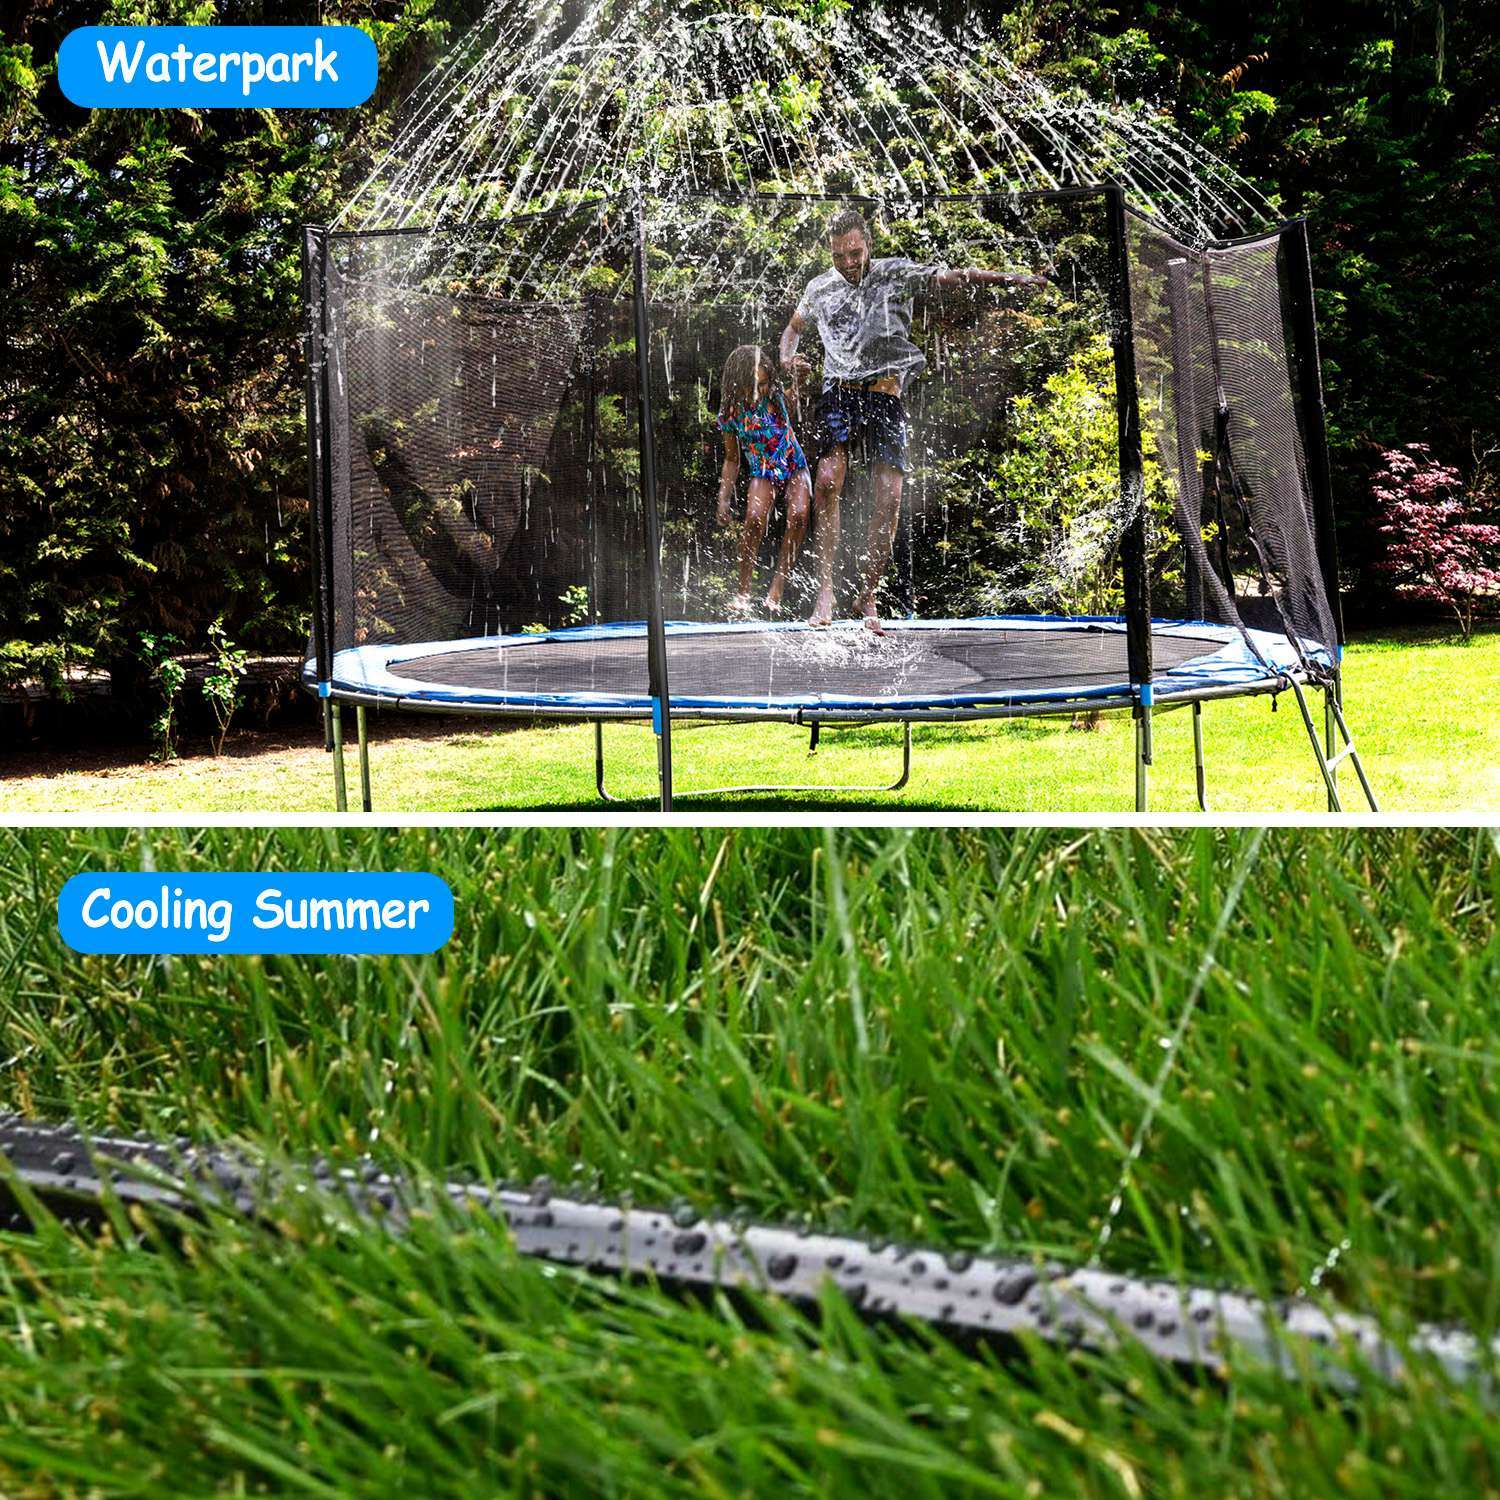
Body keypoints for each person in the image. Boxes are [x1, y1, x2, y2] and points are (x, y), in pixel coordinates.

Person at [780, 208, 1046, 633]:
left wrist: (1010, 280)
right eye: (839, 256)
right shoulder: (819, 288)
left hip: (885, 397)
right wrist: (788, 357)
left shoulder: (894, 273)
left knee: (889, 498)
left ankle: (868, 595)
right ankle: (825, 590)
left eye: (855, 252)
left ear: (868, 245)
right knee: (828, 481)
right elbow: (792, 329)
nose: (848, 263)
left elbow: (954, 277)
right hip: (839, 393)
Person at [714, 343, 813, 617]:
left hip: (793, 463)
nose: (759, 392)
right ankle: (743, 592)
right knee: (754, 519)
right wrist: (723, 498)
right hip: (762, 469)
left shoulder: (775, 396)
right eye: (753, 386)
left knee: (800, 516)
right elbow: (733, 459)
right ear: (738, 383)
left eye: (765, 384)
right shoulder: (731, 413)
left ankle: (776, 590)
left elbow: (792, 403)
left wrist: (798, 379)